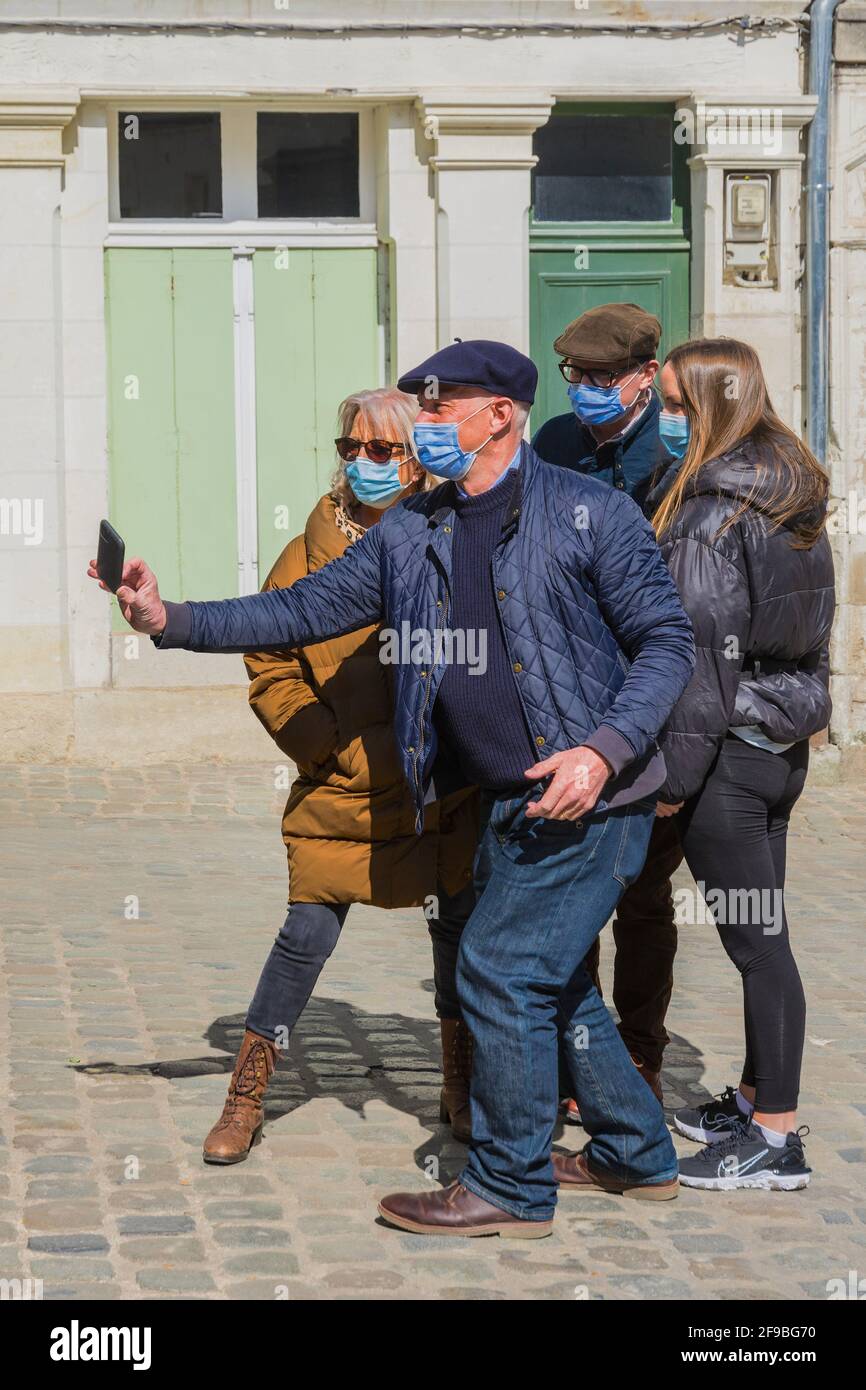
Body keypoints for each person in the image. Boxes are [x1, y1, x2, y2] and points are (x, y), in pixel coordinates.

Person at [90, 340, 696, 1237]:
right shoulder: (419, 529)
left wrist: (602, 752)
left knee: (496, 970)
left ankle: (510, 1185)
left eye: (441, 407)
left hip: (591, 798)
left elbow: (668, 645)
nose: (425, 423)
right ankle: (637, 1155)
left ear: (501, 415)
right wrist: (165, 617)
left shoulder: (589, 512)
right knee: (556, 982)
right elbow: (295, 611)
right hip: (504, 800)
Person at [200, 388, 481, 1161]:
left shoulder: (452, 536)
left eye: (383, 451)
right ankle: (246, 1093)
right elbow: (270, 662)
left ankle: (458, 1081)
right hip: (345, 787)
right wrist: (324, 745)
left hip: (438, 788)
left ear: (417, 461)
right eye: (351, 448)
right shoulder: (308, 552)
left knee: (454, 930)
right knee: (304, 935)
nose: (363, 463)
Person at [650, 339, 834, 1191]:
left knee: (759, 948)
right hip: (779, 743)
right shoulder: (791, 496)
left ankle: (775, 1139)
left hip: (726, 756)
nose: (667, 420)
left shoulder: (707, 514)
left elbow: (696, 666)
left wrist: (671, 785)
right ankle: (760, 1094)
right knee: (771, 936)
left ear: (711, 407)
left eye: (676, 405)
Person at [533, 302, 685, 1110]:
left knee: (644, 900)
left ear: (645, 378)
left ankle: (640, 1055)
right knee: (573, 901)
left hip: (650, 701)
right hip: (569, 701)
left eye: (601, 378)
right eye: (576, 377)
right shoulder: (554, 444)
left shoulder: (674, 452)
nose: (586, 390)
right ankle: (576, 1059)